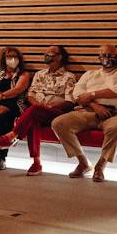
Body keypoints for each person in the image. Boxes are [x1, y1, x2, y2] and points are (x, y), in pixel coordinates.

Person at [50, 45, 117, 181]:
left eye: (109, 54)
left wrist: (91, 94)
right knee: (59, 123)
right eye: (102, 55)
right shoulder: (90, 74)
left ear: (116, 56)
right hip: (87, 111)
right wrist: (94, 105)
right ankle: (83, 163)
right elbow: (78, 94)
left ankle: (100, 166)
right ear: (98, 57)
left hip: (114, 114)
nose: (106, 58)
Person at [14, 46, 77, 176]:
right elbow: (30, 95)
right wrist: (39, 107)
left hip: (56, 113)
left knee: (34, 112)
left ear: (59, 56)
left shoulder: (68, 76)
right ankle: (36, 162)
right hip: (38, 110)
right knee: (33, 118)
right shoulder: (40, 74)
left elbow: (70, 101)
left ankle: (12, 135)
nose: (46, 55)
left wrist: (49, 108)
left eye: (50, 53)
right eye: (46, 53)